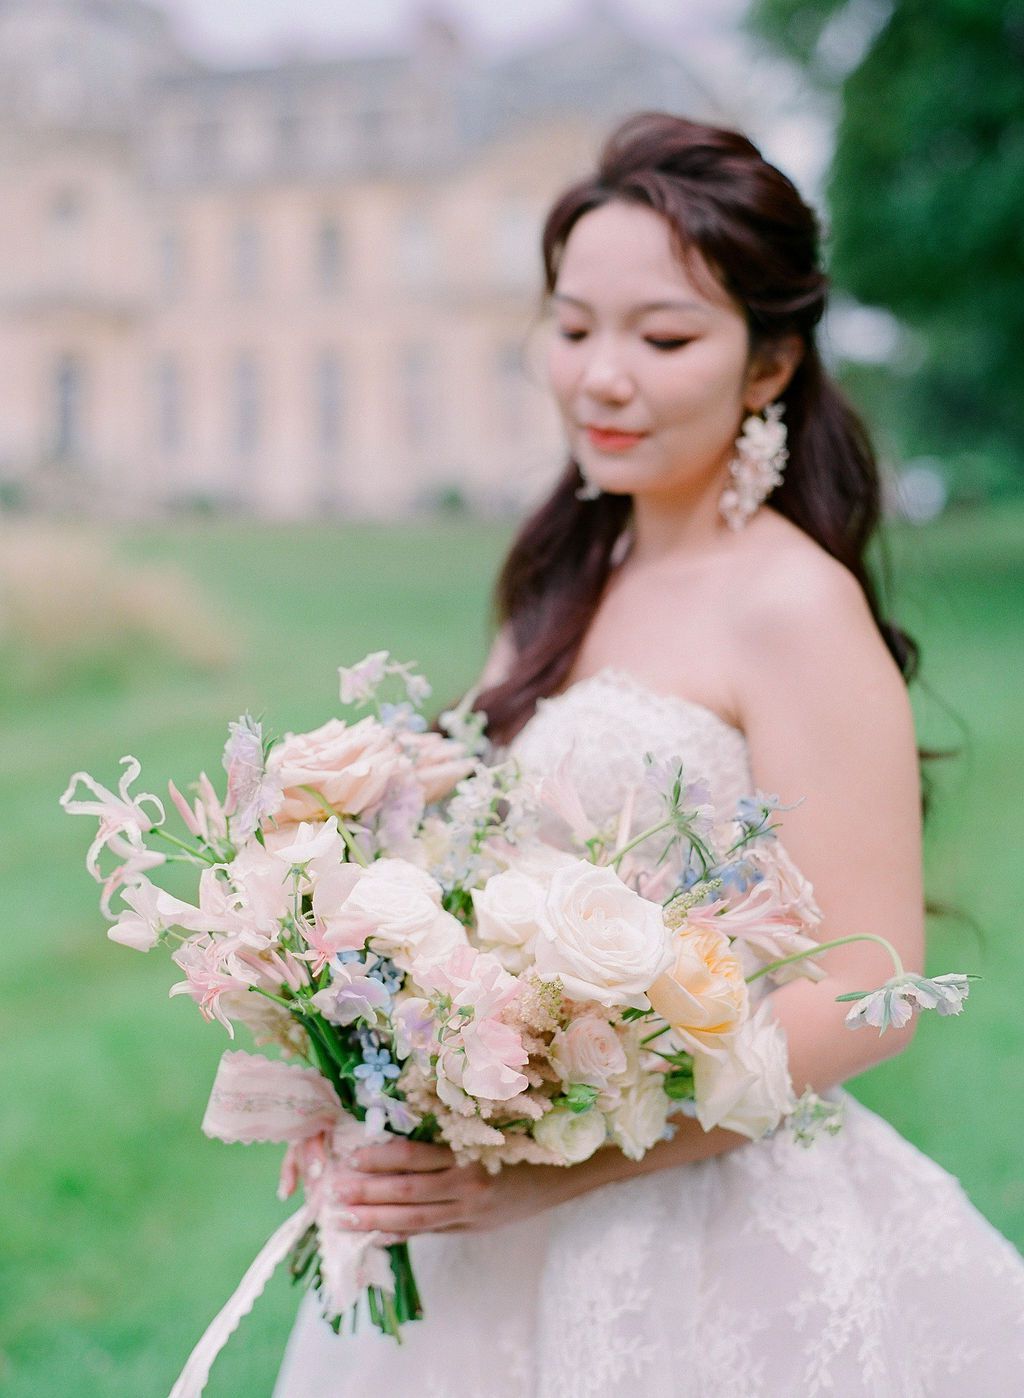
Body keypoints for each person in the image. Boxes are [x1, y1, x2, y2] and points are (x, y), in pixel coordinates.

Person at [275, 113, 1024, 1396]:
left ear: (768, 363)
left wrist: (559, 1166)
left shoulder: (792, 604)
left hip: (691, 1223)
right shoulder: (571, 571)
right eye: (572, 329)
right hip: (484, 1222)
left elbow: (869, 983)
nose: (600, 377)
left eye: (663, 337)